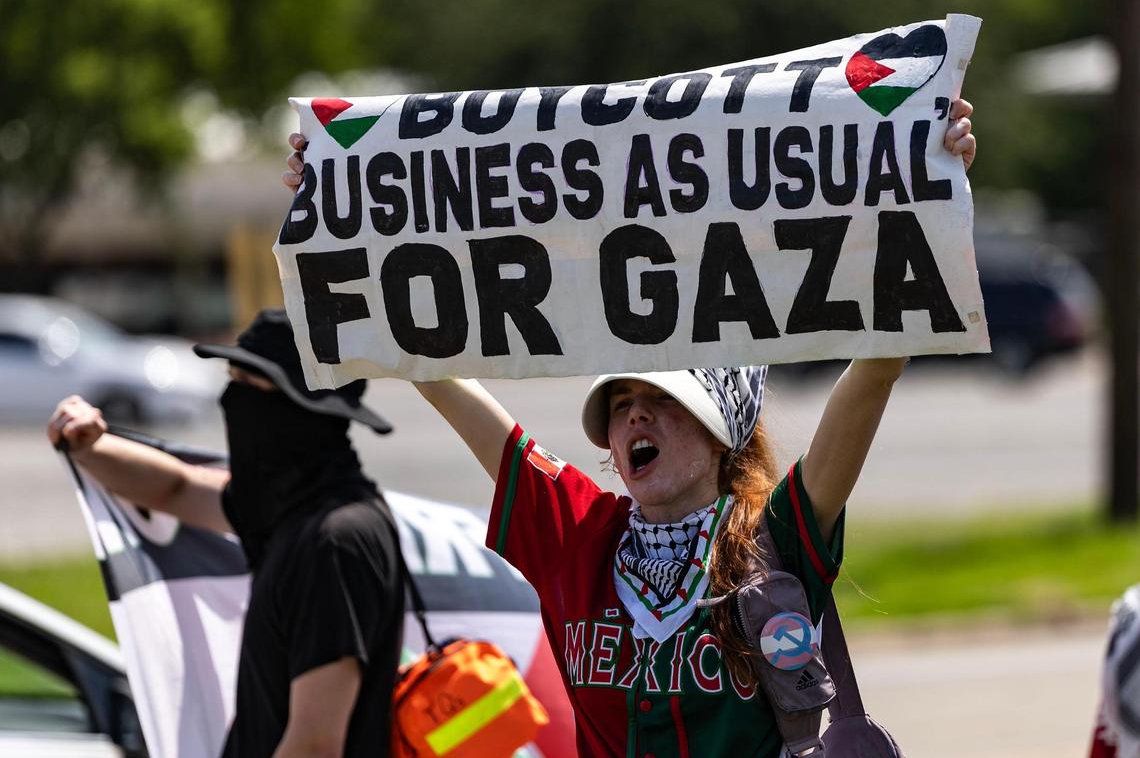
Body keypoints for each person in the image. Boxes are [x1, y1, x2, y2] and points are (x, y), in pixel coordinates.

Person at [283, 101, 976, 756]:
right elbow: (431, 370)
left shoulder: (780, 534)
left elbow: (872, 376)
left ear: (719, 430)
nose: (635, 415)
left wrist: (929, 178)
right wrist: (341, 206)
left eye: (663, 398)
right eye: (620, 403)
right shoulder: (580, 534)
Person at [47, 308, 405, 758]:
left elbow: (315, 744)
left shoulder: (334, 541)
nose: (232, 399)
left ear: (304, 406)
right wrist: (90, 444)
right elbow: (178, 489)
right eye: (231, 378)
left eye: (250, 384)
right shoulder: (293, 510)